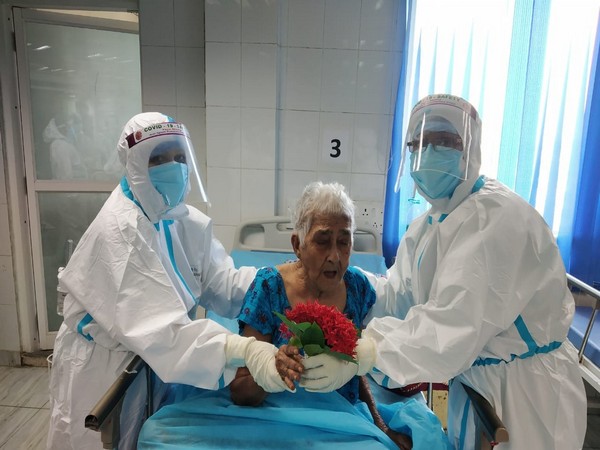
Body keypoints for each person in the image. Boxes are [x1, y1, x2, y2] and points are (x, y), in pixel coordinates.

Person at [300, 94, 588, 449]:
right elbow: (398, 295)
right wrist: (347, 284)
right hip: (479, 385)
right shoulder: (430, 224)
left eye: (445, 142)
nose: (430, 152)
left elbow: (450, 325)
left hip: (528, 396)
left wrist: (367, 352)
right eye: (420, 143)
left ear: (470, 149)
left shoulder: (495, 220)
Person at [47, 112, 302, 450]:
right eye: (158, 158)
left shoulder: (179, 220)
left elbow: (221, 283)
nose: (175, 167)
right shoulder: (120, 232)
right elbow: (167, 333)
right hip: (106, 369)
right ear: (135, 165)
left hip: (148, 361)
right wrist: (247, 350)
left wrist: (281, 281)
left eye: (180, 157)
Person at [137, 182, 449, 450]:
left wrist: (380, 425)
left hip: (338, 419)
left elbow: (357, 373)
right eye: (323, 240)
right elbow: (242, 391)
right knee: (158, 437)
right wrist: (270, 371)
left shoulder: (357, 289)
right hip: (270, 414)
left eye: (344, 241)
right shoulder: (269, 287)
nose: (335, 255)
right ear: (297, 245)